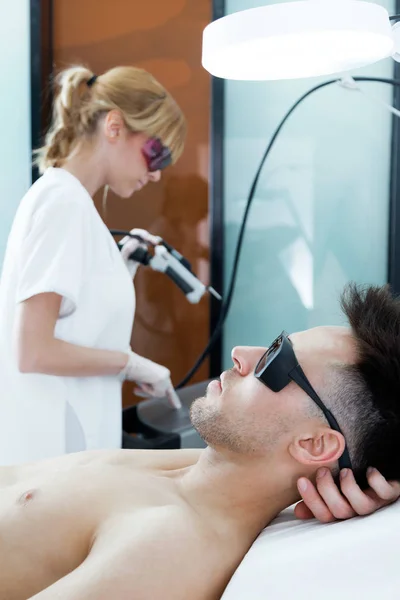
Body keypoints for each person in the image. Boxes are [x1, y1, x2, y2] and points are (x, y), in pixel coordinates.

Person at [1, 283, 400, 600]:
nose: (241, 353)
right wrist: (369, 479)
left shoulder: (169, 547)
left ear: (315, 444)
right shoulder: (191, 473)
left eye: (274, 361)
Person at [0, 65, 186, 465]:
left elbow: (75, 317)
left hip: (68, 453)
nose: (155, 174)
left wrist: (121, 265)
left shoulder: (72, 204)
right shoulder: (63, 203)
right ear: (115, 127)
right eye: (158, 153)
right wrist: (131, 364)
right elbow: (32, 350)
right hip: (53, 457)